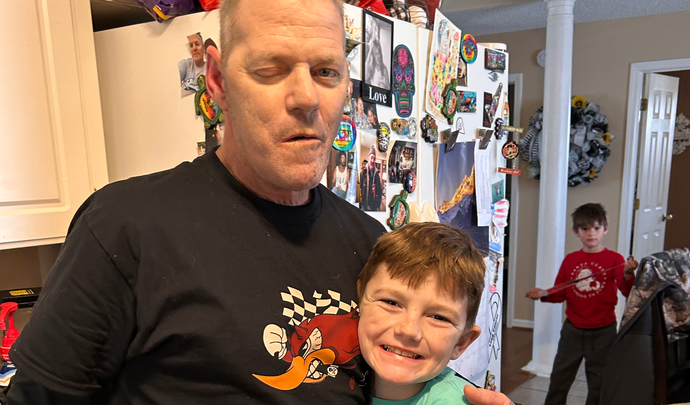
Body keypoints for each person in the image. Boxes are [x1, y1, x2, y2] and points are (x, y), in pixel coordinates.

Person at [7, 1, 512, 404]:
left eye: (326, 71)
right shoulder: (124, 227)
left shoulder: (371, 244)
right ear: (217, 81)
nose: (306, 98)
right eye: (271, 69)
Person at [356, 222, 484, 404]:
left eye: (439, 317)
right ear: (359, 300)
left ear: (461, 342)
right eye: (391, 303)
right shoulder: (340, 377)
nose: (408, 330)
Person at [525, 203, 639, 405]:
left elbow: (627, 291)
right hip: (573, 331)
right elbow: (560, 292)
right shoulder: (571, 260)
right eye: (585, 229)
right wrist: (543, 293)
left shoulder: (615, 259)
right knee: (560, 378)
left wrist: (629, 273)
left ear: (605, 229)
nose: (591, 233)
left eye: (596, 228)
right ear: (576, 232)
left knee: (599, 383)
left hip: (604, 332)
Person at [360, 145, 383, 211]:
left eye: (374, 158)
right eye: (371, 158)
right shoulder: (362, 173)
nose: (373, 160)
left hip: (374, 206)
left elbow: (379, 191)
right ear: (368, 158)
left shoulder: (377, 175)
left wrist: (378, 206)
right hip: (364, 205)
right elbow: (359, 190)